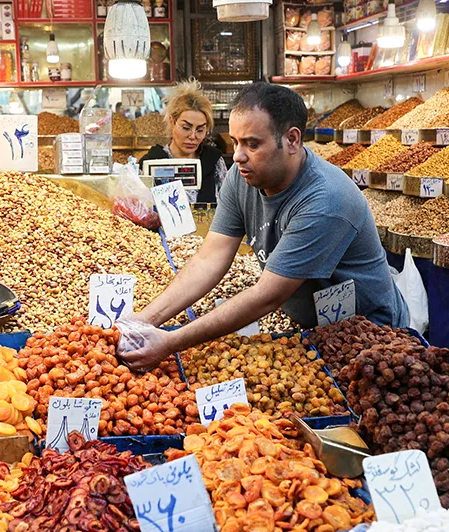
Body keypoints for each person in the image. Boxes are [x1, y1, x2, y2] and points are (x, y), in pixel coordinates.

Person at [118, 82, 409, 371]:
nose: (237, 155)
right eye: (235, 141)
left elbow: (267, 295)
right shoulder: (242, 176)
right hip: (312, 329)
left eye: (252, 144)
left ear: (292, 140)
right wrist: (145, 319)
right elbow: (210, 258)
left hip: (368, 338)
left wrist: (169, 342)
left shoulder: (326, 200)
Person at [141, 80, 228, 205]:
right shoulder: (152, 161)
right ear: (172, 121)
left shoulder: (214, 161)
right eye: (186, 128)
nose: (193, 136)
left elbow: (228, 205)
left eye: (200, 130)